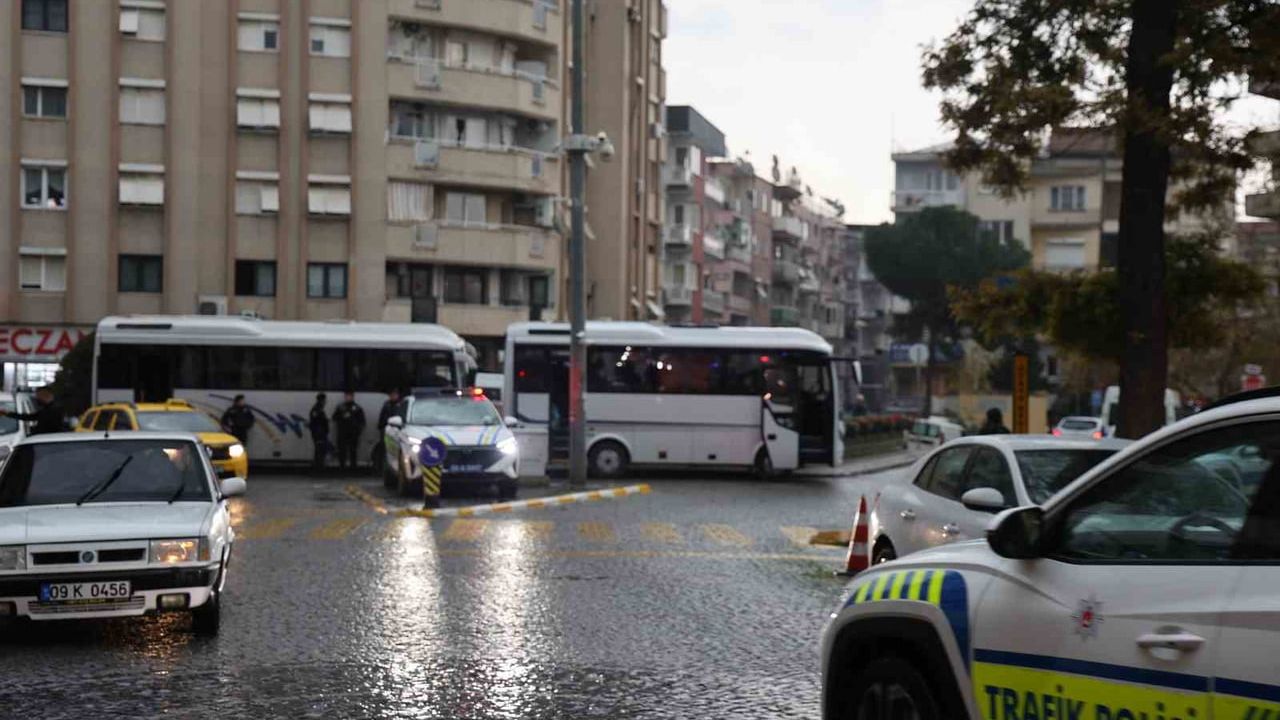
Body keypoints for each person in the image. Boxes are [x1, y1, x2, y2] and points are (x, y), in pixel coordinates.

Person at [0, 387, 67, 435]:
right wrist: (7, 413)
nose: (37, 399)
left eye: (38, 396)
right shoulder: (47, 409)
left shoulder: (54, 410)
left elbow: (47, 427)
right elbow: (29, 417)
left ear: (46, 396)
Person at [332, 391, 366, 471]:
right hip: (342, 432)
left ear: (353, 397)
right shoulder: (340, 407)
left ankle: (353, 467)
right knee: (342, 450)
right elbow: (334, 418)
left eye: (350, 396)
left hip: (353, 433)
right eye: (347, 396)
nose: (348, 398)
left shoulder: (357, 408)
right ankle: (342, 466)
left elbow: (362, 421)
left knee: (353, 450)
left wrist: (358, 430)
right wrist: (342, 416)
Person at [308, 393, 330, 470]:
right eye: (324, 400)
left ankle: (318, 465)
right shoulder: (316, 410)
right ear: (321, 400)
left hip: (319, 432)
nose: (325, 402)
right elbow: (316, 421)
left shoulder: (319, 409)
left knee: (320, 449)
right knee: (320, 449)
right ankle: (318, 466)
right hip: (319, 433)